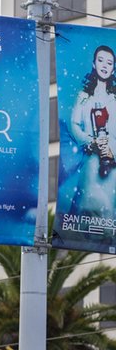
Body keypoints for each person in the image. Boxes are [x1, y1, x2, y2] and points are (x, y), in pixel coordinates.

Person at [67, 45, 116, 221]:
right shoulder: (83, 96)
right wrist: (91, 141)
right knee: (83, 209)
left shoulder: (115, 99)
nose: (104, 65)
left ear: (113, 68)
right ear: (94, 64)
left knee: (107, 214)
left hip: (111, 167)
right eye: (100, 60)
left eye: (109, 63)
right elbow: (74, 126)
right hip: (91, 162)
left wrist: (112, 151)